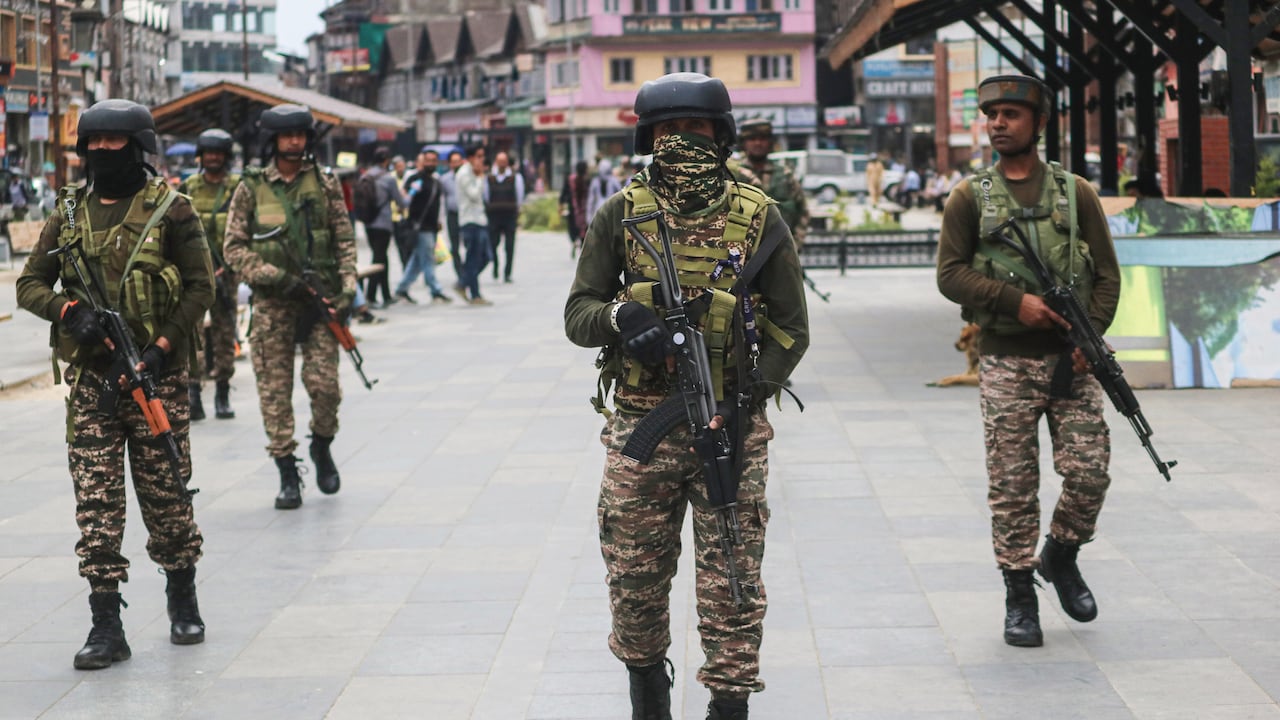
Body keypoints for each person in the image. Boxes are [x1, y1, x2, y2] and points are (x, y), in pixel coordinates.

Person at [564, 72, 809, 720]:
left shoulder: (760, 216)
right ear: (650, 137)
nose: (681, 142)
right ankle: (648, 693)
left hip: (729, 427)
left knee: (732, 581)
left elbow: (792, 328)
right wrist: (622, 318)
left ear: (720, 135)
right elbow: (578, 311)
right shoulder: (623, 212)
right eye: (669, 131)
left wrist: (745, 397)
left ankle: (729, 705)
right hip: (643, 427)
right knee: (634, 578)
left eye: (695, 129)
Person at [15, 98, 213, 669]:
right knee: (96, 508)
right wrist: (66, 312)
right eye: (94, 144)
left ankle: (183, 598)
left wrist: (159, 349)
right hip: (92, 385)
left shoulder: (171, 210)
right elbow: (29, 284)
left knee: (168, 499)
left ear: (139, 147)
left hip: (157, 381)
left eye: (115, 143)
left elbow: (202, 289)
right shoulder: (69, 214)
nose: (103, 152)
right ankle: (107, 624)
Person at [935, 75, 1122, 648]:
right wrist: (1017, 303)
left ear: (1038, 124)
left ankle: (1060, 554)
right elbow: (949, 275)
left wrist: (1093, 340)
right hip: (1007, 362)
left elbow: (1108, 277)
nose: (998, 123)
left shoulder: (1076, 193)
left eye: (1011, 113)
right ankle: (1019, 592)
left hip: (1074, 362)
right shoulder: (970, 196)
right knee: (1013, 486)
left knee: (1090, 473)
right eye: (991, 113)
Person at [223, 103, 358, 510]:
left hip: (320, 304)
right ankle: (286, 471)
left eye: (300, 135)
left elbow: (345, 240)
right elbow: (233, 248)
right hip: (274, 305)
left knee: (326, 388)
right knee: (274, 392)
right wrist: (273, 276)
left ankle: (321, 444)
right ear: (274, 140)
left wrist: (348, 289)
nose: (295, 141)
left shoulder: (325, 183)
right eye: (287, 136)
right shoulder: (251, 187)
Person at [178, 128, 242, 420]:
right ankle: (194, 392)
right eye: (209, 153)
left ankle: (223, 392)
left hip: (226, 273)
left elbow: (245, 231)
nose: (213, 158)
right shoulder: (188, 187)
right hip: (193, 275)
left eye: (218, 153)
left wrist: (226, 266)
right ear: (201, 157)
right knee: (192, 334)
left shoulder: (238, 188)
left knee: (224, 332)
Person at [737, 118, 810, 246]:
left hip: (782, 248)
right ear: (744, 143)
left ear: (770, 142)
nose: (758, 143)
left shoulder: (785, 176)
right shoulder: (735, 175)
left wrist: (795, 244)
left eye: (763, 139)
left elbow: (803, 211)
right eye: (752, 139)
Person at [395, 148, 452, 304]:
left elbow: (439, 205)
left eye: (434, 160)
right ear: (422, 161)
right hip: (419, 227)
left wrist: (440, 221)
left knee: (417, 261)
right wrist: (410, 193)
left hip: (432, 227)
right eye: (428, 160)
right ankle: (436, 290)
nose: (431, 163)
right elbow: (404, 200)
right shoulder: (415, 179)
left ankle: (401, 289)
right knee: (427, 260)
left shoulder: (436, 181)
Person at [361, 147, 406, 308]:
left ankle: (383, 295)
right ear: (386, 161)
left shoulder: (365, 176)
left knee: (380, 257)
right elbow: (401, 202)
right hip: (383, 223)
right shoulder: (388, 178)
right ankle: (372, 296)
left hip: (368, 223)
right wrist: (410, 195)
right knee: (379, 259)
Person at [453, 144, 492, 305]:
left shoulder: (472, 173)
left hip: (479, 220)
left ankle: (463, 283)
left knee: (485, 257)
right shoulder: (465, 174)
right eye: (479, 156)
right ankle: (474, 293)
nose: (481, 160)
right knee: (473, 259)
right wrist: (480, 176)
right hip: (470, 221)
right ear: (470, 158)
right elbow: (475, 195)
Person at [485, 150, 525, 283]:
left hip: (509, 215)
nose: (502, 164)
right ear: (496, 162)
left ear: (507, 163)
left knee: (509, 246)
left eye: (504, 161)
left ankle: (507, 272)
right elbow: (485, 196)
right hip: (494, 216)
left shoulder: (515, 177)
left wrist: (517, 210)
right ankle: (495, 266)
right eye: (499, 161)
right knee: (493, 244)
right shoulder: (489, 177)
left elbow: (519, 196)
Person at [439, 150, 465, 279]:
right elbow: (441, 200)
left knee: (469, 245)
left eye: (458, 161)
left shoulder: (467, 177)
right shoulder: (445, 179)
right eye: (453, 162)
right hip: (452, 216)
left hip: (466, 216)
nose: (456, 164)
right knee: (454, 247)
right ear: (449, 164)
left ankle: (468, 271)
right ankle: (460, 273)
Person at [585, 157, 621, 225]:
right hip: (605, 211)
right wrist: (589, 217)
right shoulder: (612, 181)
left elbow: (591, 201)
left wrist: (589, 218)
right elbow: (590, 201)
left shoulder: (612, 181)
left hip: (605, 210)